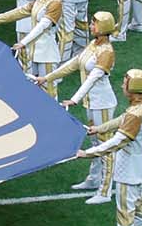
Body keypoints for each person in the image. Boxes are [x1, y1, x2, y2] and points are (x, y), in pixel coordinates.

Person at [75, 68, 142, 226]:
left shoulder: (136, 113)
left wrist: (87, 153)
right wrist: (98, 129)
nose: (121, 85)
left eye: (125, 82)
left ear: (132, 88)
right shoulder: (140, 107)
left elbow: (117, 141)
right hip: (138, 168)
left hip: (128, 172)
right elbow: (121, 120)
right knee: (138, 212)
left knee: (125, 218)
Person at [36, 11, 118, 205]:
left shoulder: (106, 51)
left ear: (103, 28)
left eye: (94, 23)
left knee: (105, 146)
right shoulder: (94, 45)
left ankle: (105, 191)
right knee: (95, 144)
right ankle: (93, 179)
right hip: (93, 102)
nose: (90, 25)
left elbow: (93, 78)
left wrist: (74, 99)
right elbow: (74, 64)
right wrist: (47, 78)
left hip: (102, 103)